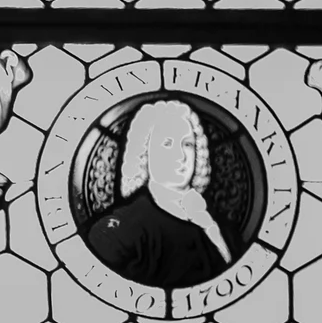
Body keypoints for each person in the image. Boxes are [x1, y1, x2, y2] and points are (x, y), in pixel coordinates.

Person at [82, 97, 237, 290]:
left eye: (187, 144)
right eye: (167, 143)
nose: (180, 156)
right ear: (144, 152)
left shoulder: (221, 227)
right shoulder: (121, 233)